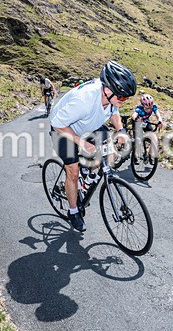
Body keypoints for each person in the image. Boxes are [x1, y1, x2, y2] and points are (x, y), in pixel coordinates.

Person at [49, 61, 136, 232]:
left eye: (126, 98)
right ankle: (73, 211)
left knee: (108, 155)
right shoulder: (84, 100)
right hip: (63, 129)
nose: (123, 101)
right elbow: (57, 123)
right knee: (73, 172)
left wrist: (121, 130)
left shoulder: (111, 97)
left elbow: (114, 111)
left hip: (88, 125)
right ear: (108, 90)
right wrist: (82, 143)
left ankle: (86, 172)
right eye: (122, 98)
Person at [131, 94, 164, 159]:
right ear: (143, 105)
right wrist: (136, 119)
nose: (149, 108)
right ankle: (134, 155)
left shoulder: (154, 106)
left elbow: (158, 115)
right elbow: (134, 115)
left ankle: (150, 155)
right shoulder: (139, 108)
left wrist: (160, 121)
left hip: (145, 121)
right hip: (137, 122)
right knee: (137, 140)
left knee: (154, 138)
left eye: (150, 106)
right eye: (147, 107)